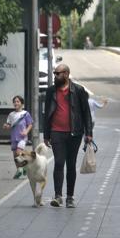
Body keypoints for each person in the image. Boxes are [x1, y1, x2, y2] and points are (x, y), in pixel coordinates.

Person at [44, 64, 92, 208]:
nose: (55, 76)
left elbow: (86, 113)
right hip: (56, 132)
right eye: (54, 73)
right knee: (58, 163)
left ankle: (70, 197)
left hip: (74, 133)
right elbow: (47, 114)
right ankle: (58, 196)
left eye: (57, 73)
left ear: (66, 74)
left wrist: (89, 133)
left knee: (71, 165)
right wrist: (46, 135)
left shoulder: (78, 90)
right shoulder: (51, 91)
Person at [3, 95, 33, 179]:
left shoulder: (25, 114)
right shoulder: (11, 114)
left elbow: (30, 124)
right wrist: (5, 126)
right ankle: (19, 170)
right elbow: (9, 125)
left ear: (21, 103)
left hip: (22, 138)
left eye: (17, 101)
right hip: (14, 137)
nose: (16, 103)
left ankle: (23, 167)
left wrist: (26, 131)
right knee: (15, 156)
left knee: (18, 152)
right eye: (15, 102)